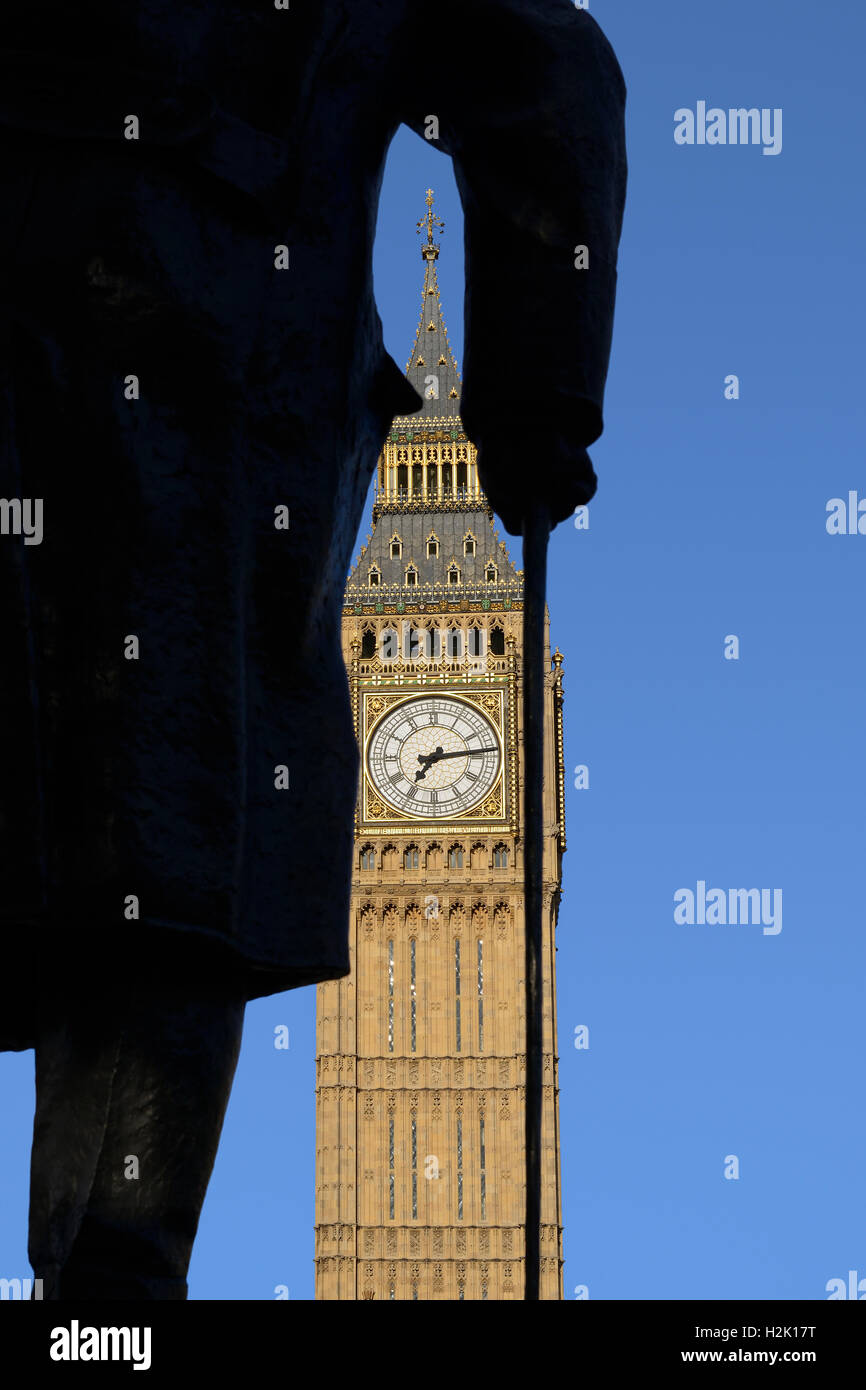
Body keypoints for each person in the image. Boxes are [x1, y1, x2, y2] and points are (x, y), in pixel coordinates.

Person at [0, 0, 626, 1298]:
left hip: (138, 375)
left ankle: (106, 1283)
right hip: (212, 390)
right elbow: (540, 76)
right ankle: (111, 1277)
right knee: (174, 848)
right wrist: (538, 397)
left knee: (144, 846)